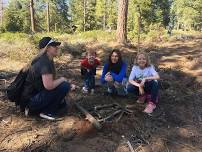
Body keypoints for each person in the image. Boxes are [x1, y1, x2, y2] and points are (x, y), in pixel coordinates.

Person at [21, 37, 76, 120]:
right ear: (48, 48)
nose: (57, 48)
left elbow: (50, 82)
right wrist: (63, 80)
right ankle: (47, 112)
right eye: (54, 46)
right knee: (64, 86)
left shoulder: (46, 60)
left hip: (34, 98)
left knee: (62, 103)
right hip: (31, 101)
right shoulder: (44, 63)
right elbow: (49, 86)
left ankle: (39, 110)